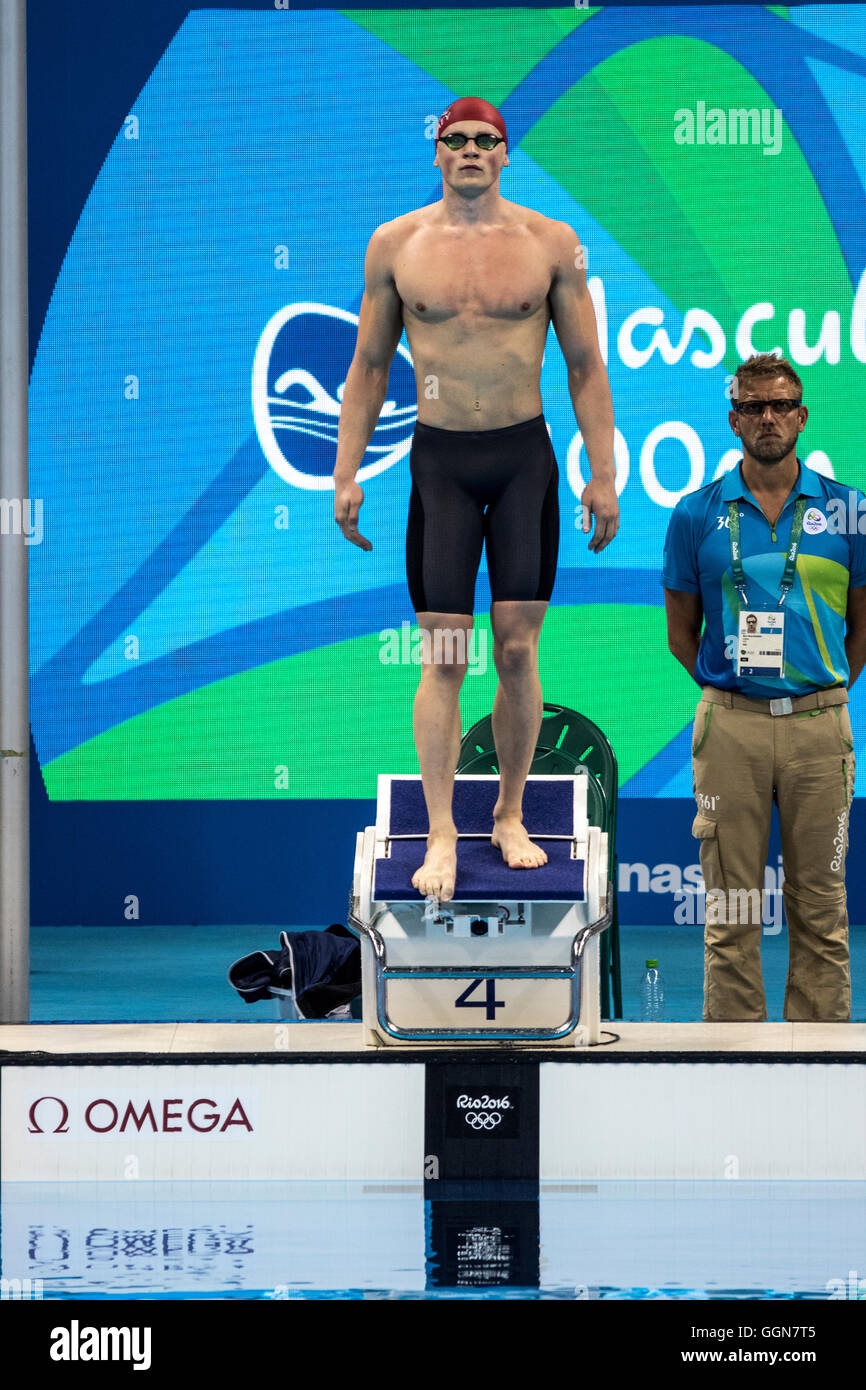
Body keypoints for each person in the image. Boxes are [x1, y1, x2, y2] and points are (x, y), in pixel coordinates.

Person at [334, 96, 617, 901]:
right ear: (436, 153)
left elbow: (586, 365)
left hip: (522, 456)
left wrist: (603, 473)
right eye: (453, 140)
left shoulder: (549, 244)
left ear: (504, 153)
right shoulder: (396, 245)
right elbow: (369, 366)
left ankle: (510, 811)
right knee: (446, 657)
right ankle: (441, 831)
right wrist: (345, 471)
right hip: (441, 465)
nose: (467, 151)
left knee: (519, 651)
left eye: (482, 141)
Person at [663, 352, 866, 1021]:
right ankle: (734, 1071)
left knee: (823, 917)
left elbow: (861, 629)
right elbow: (681, 634)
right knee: (730, 919)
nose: (768, 418)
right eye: (753, 407)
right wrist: (732, 694)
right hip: (732, 732)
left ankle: (818, 1072)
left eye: (781, 405)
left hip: (819, 731)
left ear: (802, 416)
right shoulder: (695, 514)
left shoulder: (849, 512)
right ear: (733, 420)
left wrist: (817, 692)